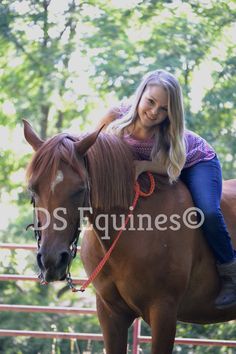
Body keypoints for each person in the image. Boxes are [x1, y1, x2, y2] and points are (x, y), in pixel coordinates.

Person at [98, 69, 236, 309]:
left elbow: (174, 166)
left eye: (164, 109)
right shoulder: (115, 117)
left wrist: (143, 166)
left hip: (193, 162)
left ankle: (231, 273)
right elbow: (93, 147)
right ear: (140, 95)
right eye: (150, 102)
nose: (154, 112)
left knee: (208, 212)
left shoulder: (169, 131)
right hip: (158, 165)